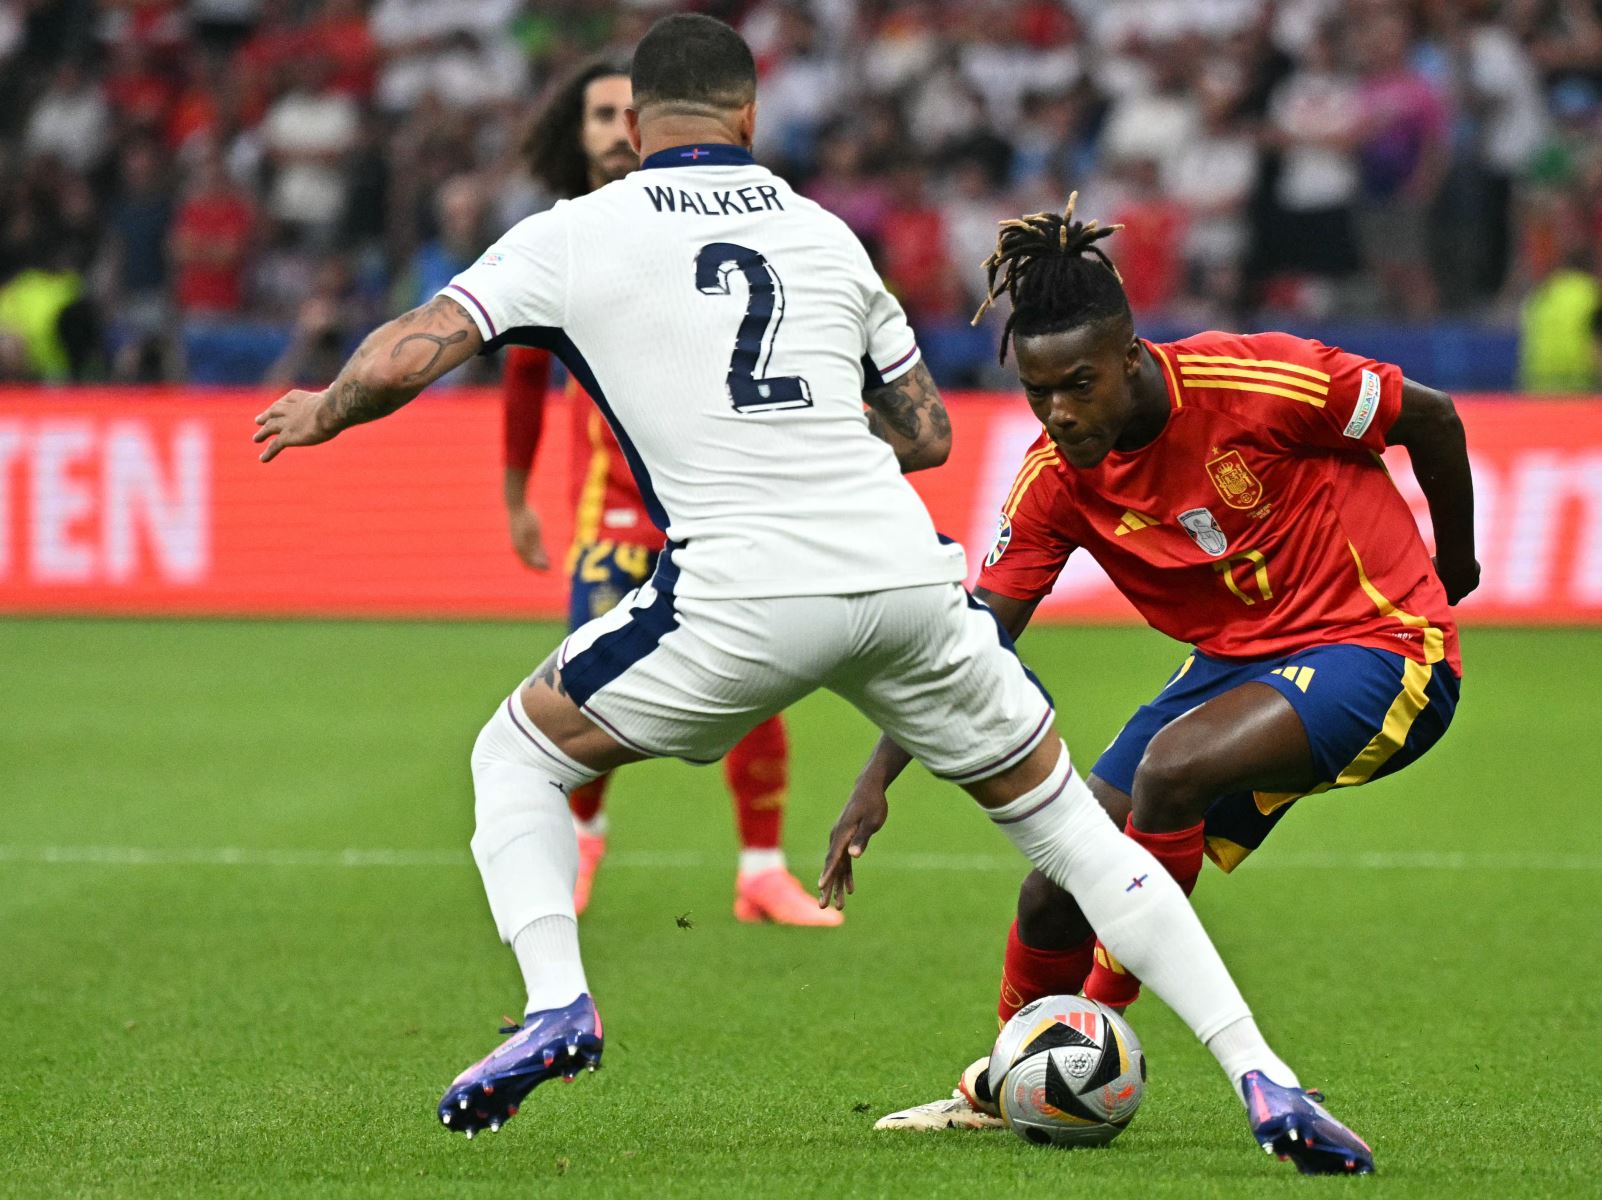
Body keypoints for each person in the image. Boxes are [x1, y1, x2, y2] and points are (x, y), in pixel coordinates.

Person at [253, 14, 1330, 1159]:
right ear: (750, 116)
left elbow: (419, 342)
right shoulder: (823, 233)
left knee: (516, 754)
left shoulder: (573, 232)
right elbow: (923, 433)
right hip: (905, 576)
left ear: (638, 124)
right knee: (1077, 837)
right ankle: (1265, 1075)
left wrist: (325, 408)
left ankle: (558, 1002)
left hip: (745, 589)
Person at [826, 197, 1479, 1174]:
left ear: (1130, 355)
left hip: (1381, 645)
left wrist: (1454, 567)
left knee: (1171, 772)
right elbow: (971, 636)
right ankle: (1010, 1079)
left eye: (1078, 385)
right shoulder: (1056, 477)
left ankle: (1090, 1035)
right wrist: (879, 779)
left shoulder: (1257, 380)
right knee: (1054, 888)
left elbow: (1430, 414)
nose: (1060, 412)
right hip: (1231, 665)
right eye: (1039, 392)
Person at [499, 57, 825, 924]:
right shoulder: (566, 234)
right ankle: (584, 845)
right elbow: (525, 372)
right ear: (582, 133)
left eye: (623, 113)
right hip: (617, 514)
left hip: (725, 506)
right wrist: (514, 491)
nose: (612, 129)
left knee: (760, 679)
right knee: (591, 693)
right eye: (597, 114)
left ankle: (760, 868)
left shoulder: (709, 219)